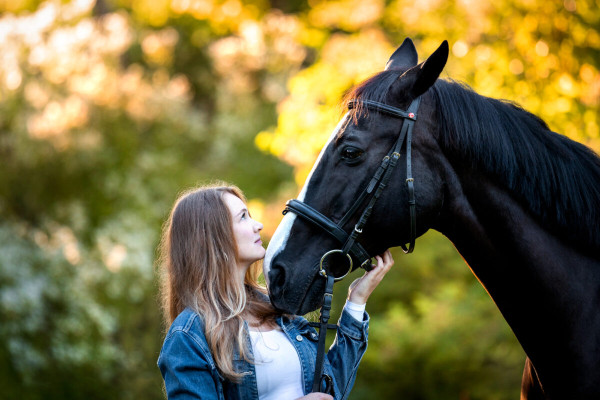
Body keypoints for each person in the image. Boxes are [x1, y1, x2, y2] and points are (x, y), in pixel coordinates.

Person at [157, 184, 394, 400]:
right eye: (243, 217)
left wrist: (356, 301)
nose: (257, 225)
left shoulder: (277, 308)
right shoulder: (189, 335)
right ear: (214, 238)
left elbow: (332, 391)